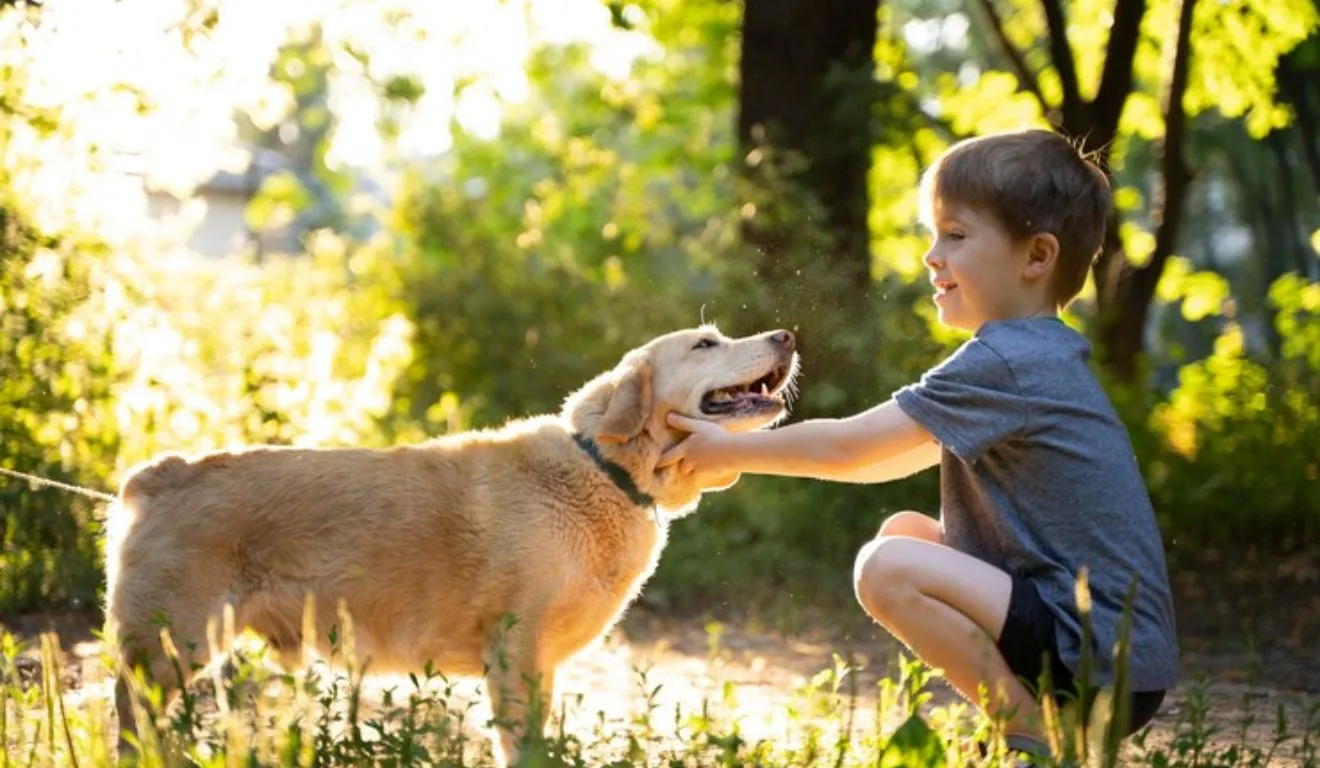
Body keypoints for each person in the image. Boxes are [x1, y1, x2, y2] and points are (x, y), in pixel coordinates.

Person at [658, 128, 1178, 758]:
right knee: (903, 533)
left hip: (1097, 661)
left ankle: (1031, 734)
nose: (933, 255)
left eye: (956, 236)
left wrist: (730, 449)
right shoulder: (1035, 355)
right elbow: (880, 460)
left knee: (886, 568)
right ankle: (1029, 720)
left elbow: (848, 447)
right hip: (1109, 653)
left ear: (1036, 256)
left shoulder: (1008, 360)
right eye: (933, 236)